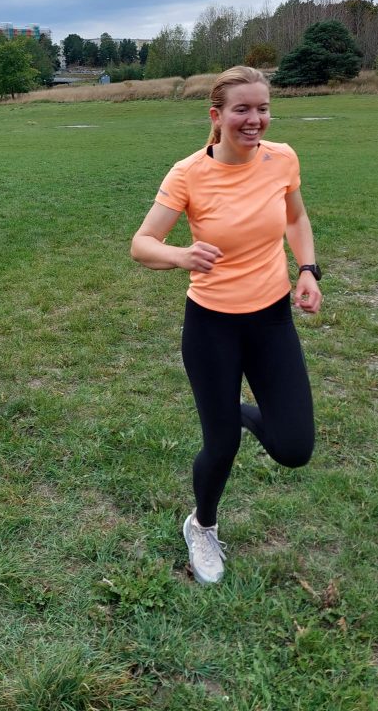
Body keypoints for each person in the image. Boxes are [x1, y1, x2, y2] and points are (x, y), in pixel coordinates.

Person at [131, 66, 322, 585]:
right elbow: (142, 244)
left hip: (271, 321)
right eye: (242, 109)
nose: (254, 119)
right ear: (216, 116)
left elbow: (295, 217)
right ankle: (202, 524)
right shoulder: (189, 172)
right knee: (221, 446)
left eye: (262, 108)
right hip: (212, 327)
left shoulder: (282, 159)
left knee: (294, 448)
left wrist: (307, 269)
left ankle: (235, 410)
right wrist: (181, 254)